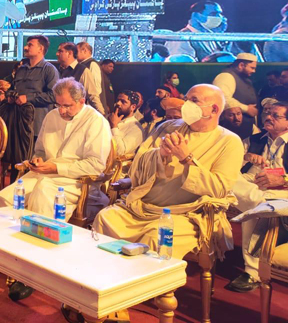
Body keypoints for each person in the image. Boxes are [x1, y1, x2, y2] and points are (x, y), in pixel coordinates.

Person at [93, 84, 244, 260]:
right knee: (106, 217)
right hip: (144, 207)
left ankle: (147, 286)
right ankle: (106, 278)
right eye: (186, 99)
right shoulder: (168, 127)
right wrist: (159, 155)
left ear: (214, 109)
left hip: (185, 214)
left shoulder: (229, 142)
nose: (186, 105)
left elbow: (219, 188)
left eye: (194, 101)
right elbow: (137, 165)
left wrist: (186, 158)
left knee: (155, 236)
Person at [0, 78, 112, 300]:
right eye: (58, 104)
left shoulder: (96, 122)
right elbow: (40, 150)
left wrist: (56, 167)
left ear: (82, 101)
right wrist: (37, 161)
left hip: (74, 181)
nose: (61, 110)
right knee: (6, 198)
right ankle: (16, 255)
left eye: (67, 106)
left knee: (43, 194)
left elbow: (96, 166)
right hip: (44, 173)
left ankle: (33, 270)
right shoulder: (51, 116)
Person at [227, 102, 288, 292]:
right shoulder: (254, 140)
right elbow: (230, 164)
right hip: (255, 190)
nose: (267, 117)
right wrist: (246, 157)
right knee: (229, 177)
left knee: (252, 207)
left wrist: (282, 179)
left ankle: (252, 273)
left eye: (275, 115)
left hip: (282, 191)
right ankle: (261, 204)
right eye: (266, 113)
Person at [14, 36, 59, 137]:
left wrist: (28, 98)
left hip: (37, 125)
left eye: (30, 45)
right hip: (18, 123)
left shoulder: (49, 70)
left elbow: (53, 95)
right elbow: (14, 88)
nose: (26, 47)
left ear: (41, 49)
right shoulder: (21, 69)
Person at [0, 79, 35, 182]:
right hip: (6, 142)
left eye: (0, 93)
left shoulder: (27, 108)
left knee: (18, 170)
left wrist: (21, 103)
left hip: (20, 144)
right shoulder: (4, 106)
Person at [212, 53, 258, 140]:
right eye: (252, 68)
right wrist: (246, 109)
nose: (253, 71)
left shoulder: (243, 78)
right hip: (231, 130)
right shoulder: (226, 76)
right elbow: (222, 98)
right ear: (241, 65)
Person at [166, 0, 231, 62]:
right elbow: (181, 65)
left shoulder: (210, 37)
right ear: (195, 15)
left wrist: (220, 35)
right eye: (213, 14)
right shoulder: (180, 38)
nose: (220, 17)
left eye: (220, 14)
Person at [55, 42, 104, 114]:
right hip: (58, 114)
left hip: (76, 116)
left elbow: (92, 96)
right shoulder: (57, 70)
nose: (57, 54)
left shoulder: (83, 71)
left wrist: (102, 115)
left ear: (70, 53)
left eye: (60, 51)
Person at [75, 41, 111, 113]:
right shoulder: (82, 65)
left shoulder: (92, 64)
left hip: (93, 110)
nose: (74, 54)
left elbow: (95, 89)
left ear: (85, 50)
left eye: (76, 51)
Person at [108, 90, 145, 157]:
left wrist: (114, 127)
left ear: (133, 107)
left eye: (123, 102)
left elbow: (120, 151)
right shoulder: (109, 117)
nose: (118, 103)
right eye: (117, 100)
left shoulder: (136, 129)